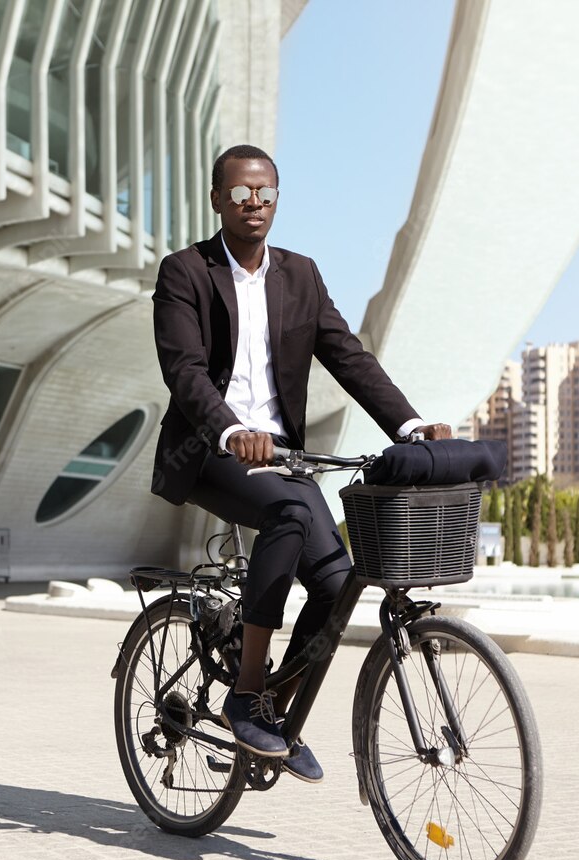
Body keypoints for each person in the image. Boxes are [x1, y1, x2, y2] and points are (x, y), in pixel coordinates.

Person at [150, 144, 449, 783]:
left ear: (277, 199)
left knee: (340, 580)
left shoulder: (300, 275)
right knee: (287, 512)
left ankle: (275, 712)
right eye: (238, 194)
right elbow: (185, 373)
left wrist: (411, 425)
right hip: (209, 452)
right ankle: (244, 697)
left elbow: (349, 357)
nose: (252, 204)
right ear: (216, 200)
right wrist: (231, 431)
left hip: (282, 457)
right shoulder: (185, 273)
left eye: (265, 193)